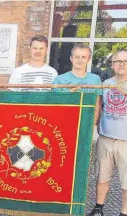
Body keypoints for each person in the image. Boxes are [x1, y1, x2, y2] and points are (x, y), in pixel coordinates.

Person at [87, 49, 127, 216]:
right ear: (112, 64)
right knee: (102, 176)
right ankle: (99, 208)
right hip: (105, 137)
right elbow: (99, 108)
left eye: (125, 61)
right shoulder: (105, 84)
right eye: (118, 61)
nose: (121, 64)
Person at [53, 44, 102, 125]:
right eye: (77, 57)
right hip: (64, 123)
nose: (80, 60)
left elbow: (97, 106)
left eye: (83, 57)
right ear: (71, 58)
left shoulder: (95, 79)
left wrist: (92, 126)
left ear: (88, 59)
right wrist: (69, 96)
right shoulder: (59, 80)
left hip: (86, 124)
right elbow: (55, 105)